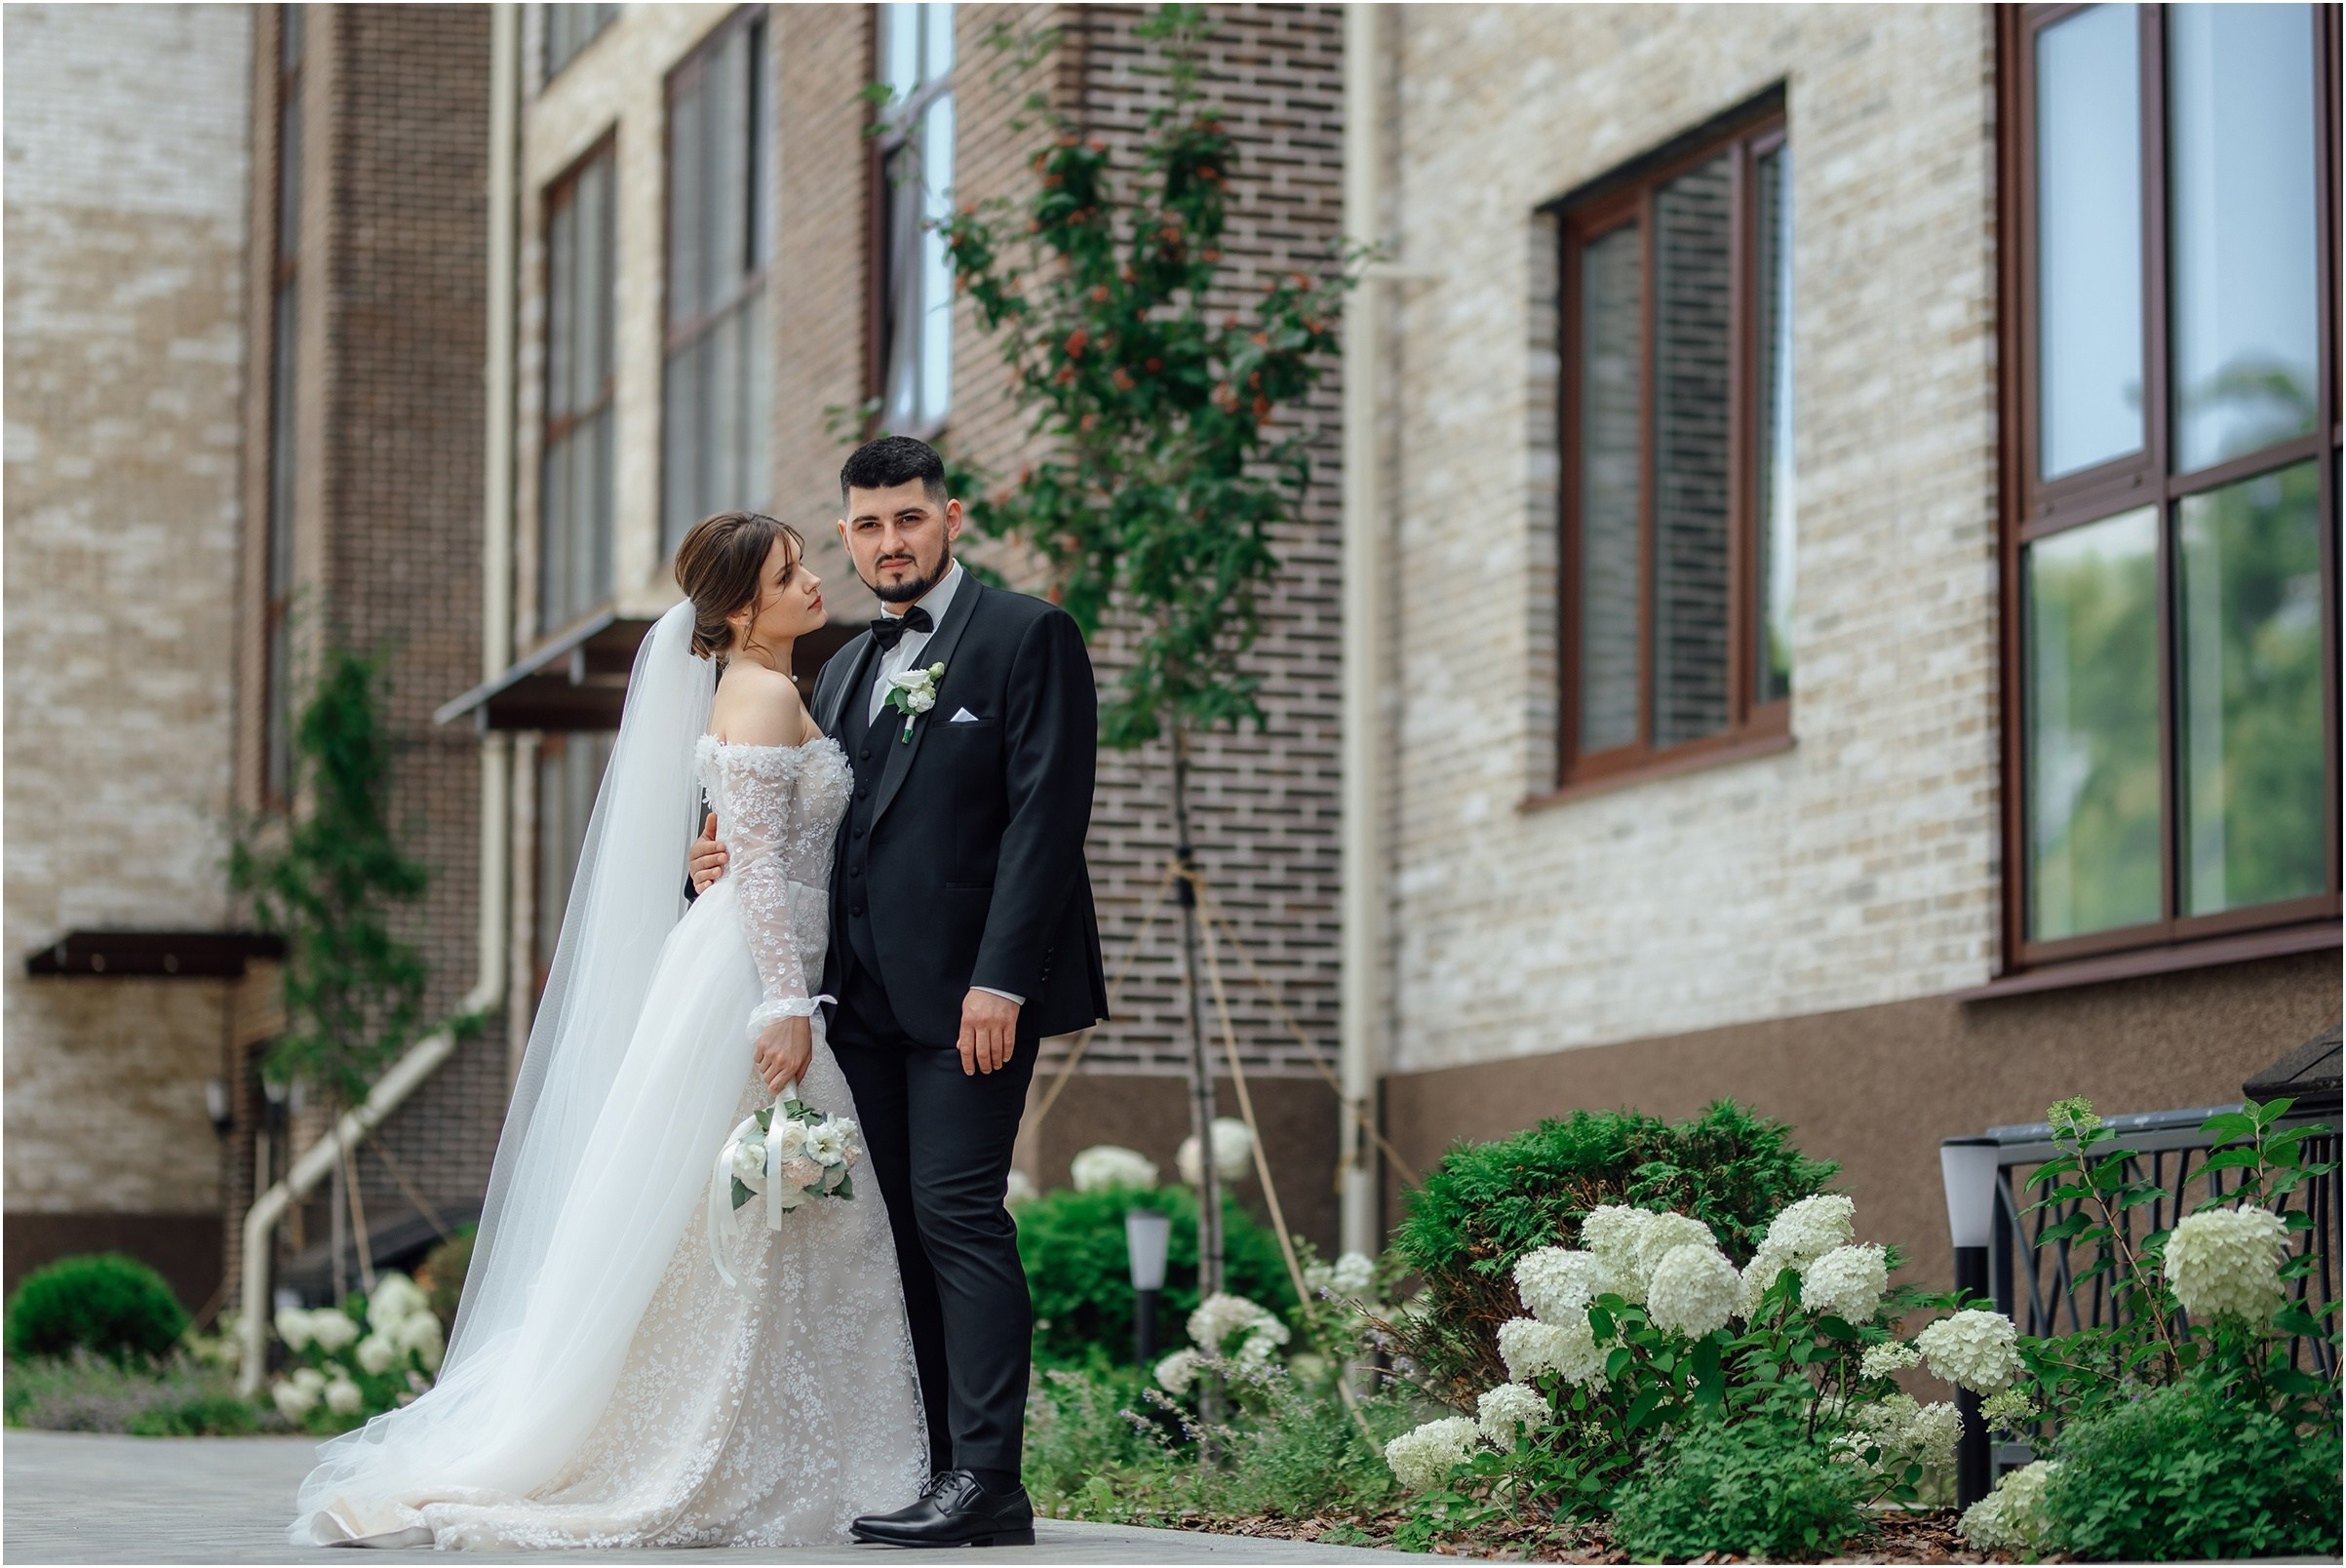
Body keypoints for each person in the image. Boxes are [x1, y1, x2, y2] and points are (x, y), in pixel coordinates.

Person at [287, 512, 928, 1548]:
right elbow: (760, 870)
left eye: (806, 563)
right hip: (759, 983)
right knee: (755, 1205)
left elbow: (735, 842)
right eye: (788, 573)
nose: (814, 581)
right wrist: (782, 1004)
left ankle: (774, 1434)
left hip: (764, 965)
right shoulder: (763, 693)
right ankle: (715, 1442)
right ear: (735, 609)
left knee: (751, 1208)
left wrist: (729, 881)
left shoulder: (764, 689)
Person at [689, 435, 1108, 1548]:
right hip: (853, 1008)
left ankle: (989, 1481)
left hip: (972, 1003)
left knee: (958, 1217)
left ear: (950, 517)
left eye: (907, 520)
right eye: (866, 526)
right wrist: (712, 859)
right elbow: (789, 816)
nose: (887, 544)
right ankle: (925, 1462)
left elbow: (1046, 825)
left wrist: (1002, 981)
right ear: (849, 534)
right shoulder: (836, 668)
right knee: (892, 1235)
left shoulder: (1029, 637)